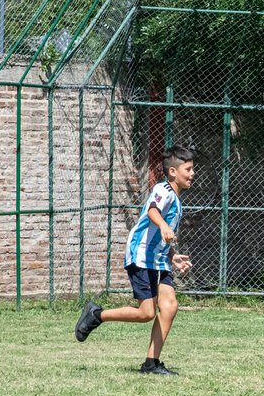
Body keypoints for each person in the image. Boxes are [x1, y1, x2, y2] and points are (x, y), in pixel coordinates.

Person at [75, 145, 195, 375]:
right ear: (173, 172)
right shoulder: (163, 189)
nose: (192, 174)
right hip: (141, 256)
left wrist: (173, 255)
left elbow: (158, 233)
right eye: (187, 169)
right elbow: (152, 211)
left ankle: (151, 363)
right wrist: (163, 225)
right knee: (146, 313)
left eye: (192, 169)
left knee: (169, 306)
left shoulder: (177, 199)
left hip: (158, 259)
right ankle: (96, 315)